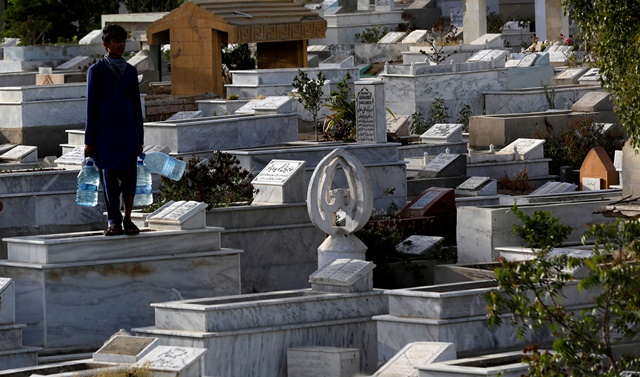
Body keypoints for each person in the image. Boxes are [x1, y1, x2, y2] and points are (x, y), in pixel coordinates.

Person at [84, 24, 143, 236]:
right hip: (105, 135)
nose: (120, 45)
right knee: (109, 179)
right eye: (115, 41)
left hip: (127, 132)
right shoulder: (96, 71)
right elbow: (91, 107)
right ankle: (113, 221)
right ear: (106, 44)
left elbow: (136, 107)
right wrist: (89, 140)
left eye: (122, 41)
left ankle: (128, 218)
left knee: (130, 177)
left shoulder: (130, 71)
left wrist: (139, 137)